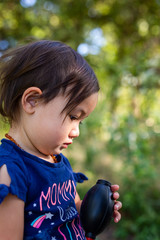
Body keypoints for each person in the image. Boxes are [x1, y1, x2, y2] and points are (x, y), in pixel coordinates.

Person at [0, 40, 122, 240]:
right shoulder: (11, 171)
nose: (76, 132)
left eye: (80, 122)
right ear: (32, 101)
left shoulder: (58, 161)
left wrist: (96, 211)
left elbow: (70, 212)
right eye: (74, 117)